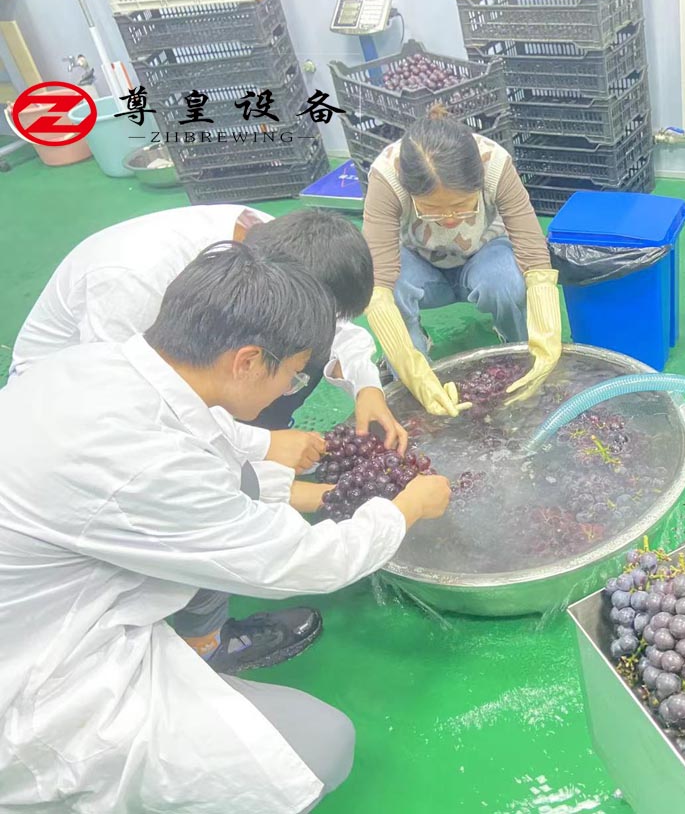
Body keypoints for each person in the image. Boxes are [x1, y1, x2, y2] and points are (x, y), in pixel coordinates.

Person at [0, 242, 451, 813]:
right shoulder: (144, 463)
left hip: (51, 604)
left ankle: (198, 654)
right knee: (319, 748)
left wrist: (288, 468)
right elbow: (302, 563)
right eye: (292, 377)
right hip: (38, 686)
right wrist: (405, 508)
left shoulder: (94, 366)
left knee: (238, 481)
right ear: (247, 361)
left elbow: (211, 454)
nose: (289, 391)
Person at [11, 204, 407, 465]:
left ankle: (251, 434)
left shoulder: (278, 243)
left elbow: (339, 333)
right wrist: (260, 447)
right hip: (74, 406)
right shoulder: (134, 281)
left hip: (191, 366)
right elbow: (133, 403)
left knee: (303, 355)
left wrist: (366, 388)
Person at [362, 106, 563, 416]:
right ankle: (415, 364)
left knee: (506, 280)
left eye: (461, 205)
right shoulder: (388, 177)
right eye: (432, 209)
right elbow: (378, 284)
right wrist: (412, 373)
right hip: (421, 265)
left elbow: (534, 257)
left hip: (484, 255)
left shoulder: (494, 165)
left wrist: (547, 341)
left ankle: (517, 351)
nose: (449, 218)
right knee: (392, 288)